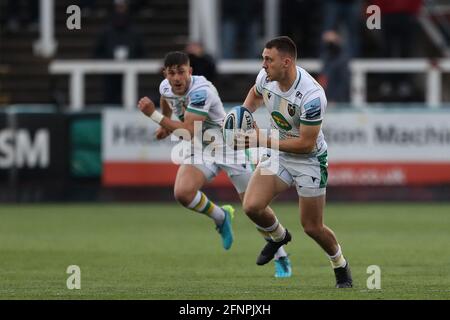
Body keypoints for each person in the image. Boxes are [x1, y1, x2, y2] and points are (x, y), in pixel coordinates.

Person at [137, 51, 292, 278]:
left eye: (181, 72)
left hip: (230, 147)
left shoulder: (202, 91)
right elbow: (165, 99)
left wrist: (155, 117)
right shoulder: (165, 86)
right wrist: (165, 122)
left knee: (254, 209)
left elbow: (189, 130)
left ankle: (281, 255)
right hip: (201, 148)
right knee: (183, 193)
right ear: (165, 74)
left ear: (190, 71)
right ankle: (221, 217)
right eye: (172, 73)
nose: (177, 78)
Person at [238, 36, 353, 288]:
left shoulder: (312, 96)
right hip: (279, 153)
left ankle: (340, 265)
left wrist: (261, 139)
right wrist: (243, 114)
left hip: (309, 161)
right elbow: (255, 95)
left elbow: (306, 144)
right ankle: (279, 237)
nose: (263, 65)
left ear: (286, 62)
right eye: (263, 58)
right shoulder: (265, 78)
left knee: (312, 227)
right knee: (252, 206)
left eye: (268, 59)